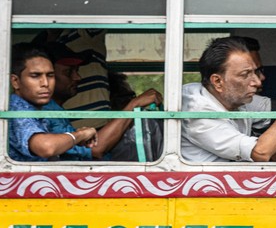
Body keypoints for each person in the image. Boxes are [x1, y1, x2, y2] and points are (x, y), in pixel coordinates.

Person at [8, 43, 163, 162]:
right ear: (15, 81)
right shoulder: (16, 108)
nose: (45, 83)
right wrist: (80, 135)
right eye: (35, 76)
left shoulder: (42, 108)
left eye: (50, 76)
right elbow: (47, 147)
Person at [181, 37, 276, 162]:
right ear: (218, 82)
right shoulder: (198, 111)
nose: (257, 82)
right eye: (245, 74)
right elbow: (260, 153)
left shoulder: (236, 98)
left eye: (255, 72)